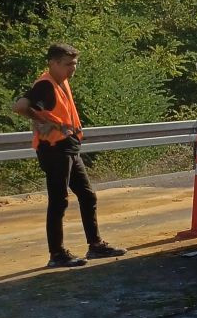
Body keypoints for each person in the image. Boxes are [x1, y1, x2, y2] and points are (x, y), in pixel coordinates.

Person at [12, 43, 126, 268]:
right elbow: (20, 106)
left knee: (87, 196)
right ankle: (57, 254)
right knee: (59, 201)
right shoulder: (45, 84)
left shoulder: (60, 81)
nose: (72, 69)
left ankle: (95, 245)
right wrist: (43, 119)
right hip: (55, 150)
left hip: (68, 149)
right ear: (52, 63)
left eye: (75, 64)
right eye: (67, 64)